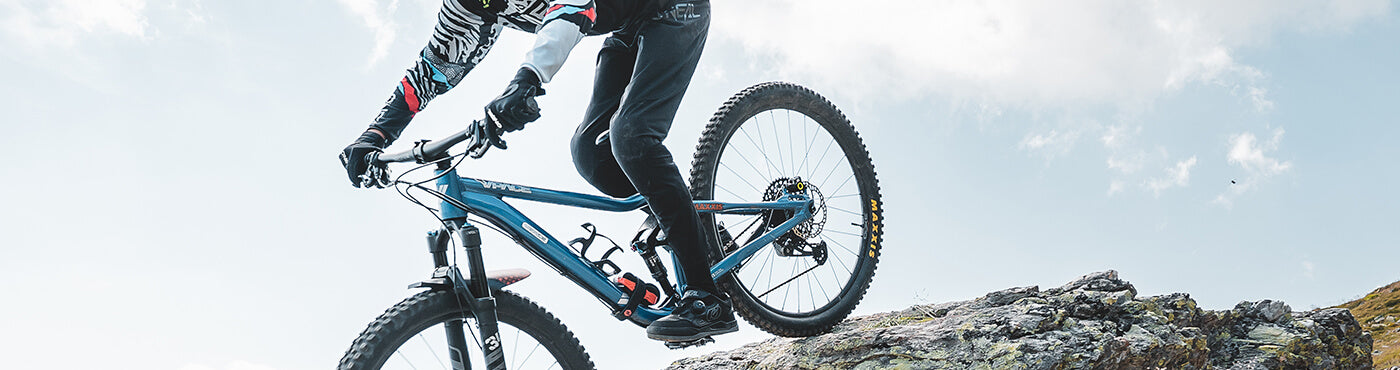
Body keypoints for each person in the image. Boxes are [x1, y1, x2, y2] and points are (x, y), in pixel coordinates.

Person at [340, 0, 734, 343]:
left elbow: (570, 8)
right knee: (590, 155)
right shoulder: (469, 5)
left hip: (675, 9)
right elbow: (434, 67)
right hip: (628, 27)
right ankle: (696, 230)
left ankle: (708, 299)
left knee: (631, 137)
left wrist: (527, 81)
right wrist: (375, 135)